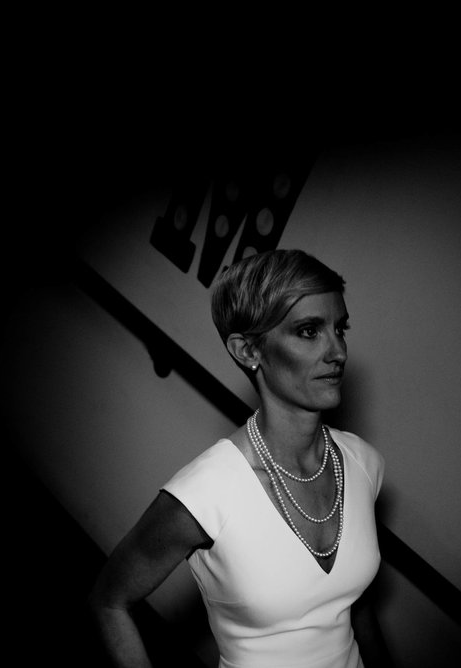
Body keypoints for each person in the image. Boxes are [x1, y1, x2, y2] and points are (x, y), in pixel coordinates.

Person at [90, 249, 392, 668]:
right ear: (248, 350)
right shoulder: (206, 492)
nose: (337, 350)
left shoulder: (363, 464)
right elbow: (110, 601)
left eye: (339, 328)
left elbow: (353, 604)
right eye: (309, 331)